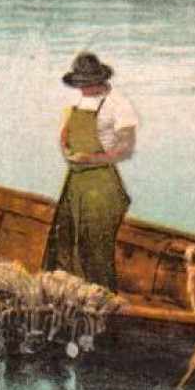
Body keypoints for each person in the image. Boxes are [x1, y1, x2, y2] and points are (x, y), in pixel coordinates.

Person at [42, 52, 137, 291]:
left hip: (102, 187)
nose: (82, 89)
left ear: (99, 80)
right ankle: (63, 294)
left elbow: (126, 147)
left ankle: (100, 297)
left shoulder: (117, 103)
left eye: (86, 84)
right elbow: (65, 134)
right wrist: (66, 151)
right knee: (64, 241)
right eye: (79, 85)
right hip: (75, 183)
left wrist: (93, 159)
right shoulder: (77, 102)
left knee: (95, 248)